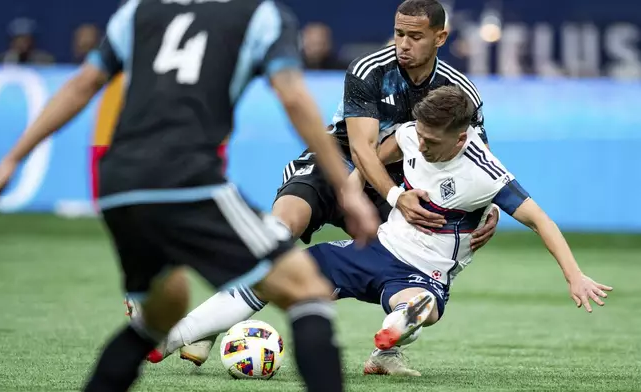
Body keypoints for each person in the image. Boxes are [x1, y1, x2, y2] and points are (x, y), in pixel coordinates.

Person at [0, 0, 380, 391]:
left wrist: (11, 159)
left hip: (117, 184)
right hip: (188, 179)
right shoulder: (261, 16)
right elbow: (294, 98)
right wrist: (345, 190)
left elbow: (82, 84)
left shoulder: (137, 11)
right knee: (308, 291)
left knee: (164, 311)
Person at [143, 86, 613, 376]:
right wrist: (354, 194)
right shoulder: (411, 133)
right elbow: (374, 158)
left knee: (420, 306)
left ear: (463, 138)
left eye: (433, 141)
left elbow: (540, 219)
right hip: (375, 248)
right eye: (420, 135)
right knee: (274, 271)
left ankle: (391, 334)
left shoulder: (485, 173)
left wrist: (573, 275)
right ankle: (173, 337)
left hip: (424, 272)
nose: (422, 144)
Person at [165, 0, 501, 366]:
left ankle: (389, 348)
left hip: (400, 182)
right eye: (399, 33)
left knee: (416, 258)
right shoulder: (369, 70)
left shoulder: (460, 91)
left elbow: (473, 158)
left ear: (441, 37)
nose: (403, 44)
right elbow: (362, 149)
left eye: (415, 36)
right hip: (334, 163)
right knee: (279, 231)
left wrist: (489, 207)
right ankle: (208, 327)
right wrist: (394, 196)